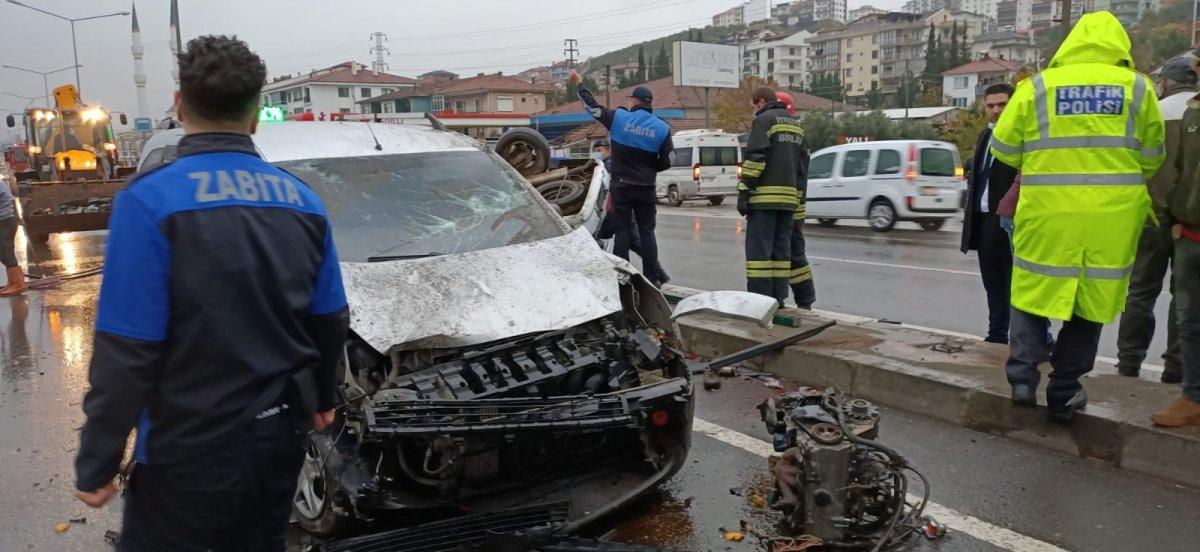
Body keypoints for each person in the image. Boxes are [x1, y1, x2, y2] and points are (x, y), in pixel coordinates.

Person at [73, 35, 349, 551]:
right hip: (278, 440)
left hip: (187, 449)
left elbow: (127, 350)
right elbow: (330, 316)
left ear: (179, 106)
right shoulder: (303, 201)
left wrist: (98, 459)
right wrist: (324, 398)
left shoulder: (150, 201)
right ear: (256, 113)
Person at [989, 12, 1165, 423]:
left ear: (1069, 44)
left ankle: (1022, 379)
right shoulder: (1139, 88)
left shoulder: (1037, 87)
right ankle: (1065, 390)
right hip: (1111, 219)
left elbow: (1003, 149)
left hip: (1046, 212)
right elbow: (1152, 158)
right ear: (1119, 46)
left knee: (1031, 291)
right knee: (1091, 304)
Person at [1116, 56, 1196, 383]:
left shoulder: (1154, 112)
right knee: (1186, 296)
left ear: (1165, 83)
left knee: (1140, 292)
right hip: (1191, 221)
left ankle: (1128, 364)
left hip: (1151, 215)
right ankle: (1176, 368)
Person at [571, 69, 672, 287]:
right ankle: (652, 279)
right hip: (646, 187)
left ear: (634, 101)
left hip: (622, 187)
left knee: (622, 232)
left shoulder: (619, 118)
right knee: (647, 233)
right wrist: (648, 166)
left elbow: (592, 107)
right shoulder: (663, 129)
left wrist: (580, 84)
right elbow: (666, 162)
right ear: (650, 103)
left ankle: (622, 279)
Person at [1150, 84, 1200, 427]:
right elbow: (1181, 171)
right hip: (1190, 234)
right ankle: (1192, 397)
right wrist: (1174, 221)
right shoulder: (1192, 112)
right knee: (1189, 322)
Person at [960, 83, 1019, 344]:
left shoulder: (1024, 136)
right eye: (991, 106)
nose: (996, 110)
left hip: (1012, 219)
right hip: (984, 219)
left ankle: (1039, 336)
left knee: (1019, 283)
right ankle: (997, 334)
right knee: (993, 281)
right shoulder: (985, 136)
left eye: (1002, 104)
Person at [738, 87, 808, 306]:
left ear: (760, 102)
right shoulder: (796, 126)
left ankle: (759, 301)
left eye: (754, 106)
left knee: (759, 255)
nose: (754, 110)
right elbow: (802, 169)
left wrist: (744, 190)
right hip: (788, 202)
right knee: (781, 253)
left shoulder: (763, 121)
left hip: (764, 200)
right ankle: (778, 299)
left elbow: (756, 158)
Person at [593, 139, 669, 281]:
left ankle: (629, 276)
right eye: (595, 151)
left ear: (609, 150)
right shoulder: (606, 165)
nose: (597, 154)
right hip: (621, 207)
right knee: (635, 242)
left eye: (599, 150)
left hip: (618, 208)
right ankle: (657, 275)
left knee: (626, 241)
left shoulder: (608, 166)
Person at [774, 91, 815, 308]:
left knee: (790, 255)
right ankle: (804, 300)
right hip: (795, 207)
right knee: (794, 254)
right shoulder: (799, 136)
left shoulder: (788, 138)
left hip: (789, 208)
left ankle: (803, 300)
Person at [0, 180, 25, 296]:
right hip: (7, 220)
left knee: (6, 251)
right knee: (3, 252)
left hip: (4, 221)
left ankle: (17, 284)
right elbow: (12, 201)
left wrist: (17, 218)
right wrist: (18, 218)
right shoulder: (2, 183)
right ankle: (12, 282)